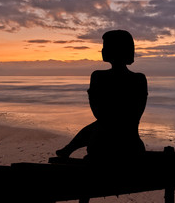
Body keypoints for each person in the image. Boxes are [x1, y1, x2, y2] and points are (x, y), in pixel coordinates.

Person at [56, 30, 147, 161]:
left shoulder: (98, 77)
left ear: (114, 49)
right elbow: (131, 118)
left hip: (103, 148)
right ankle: (68, 148)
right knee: (107, 123)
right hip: (133, 147)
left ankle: (69, 148)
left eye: (105, 46)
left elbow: (101, 115)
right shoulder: (139, 79)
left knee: (104, 124)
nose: (102, 50)